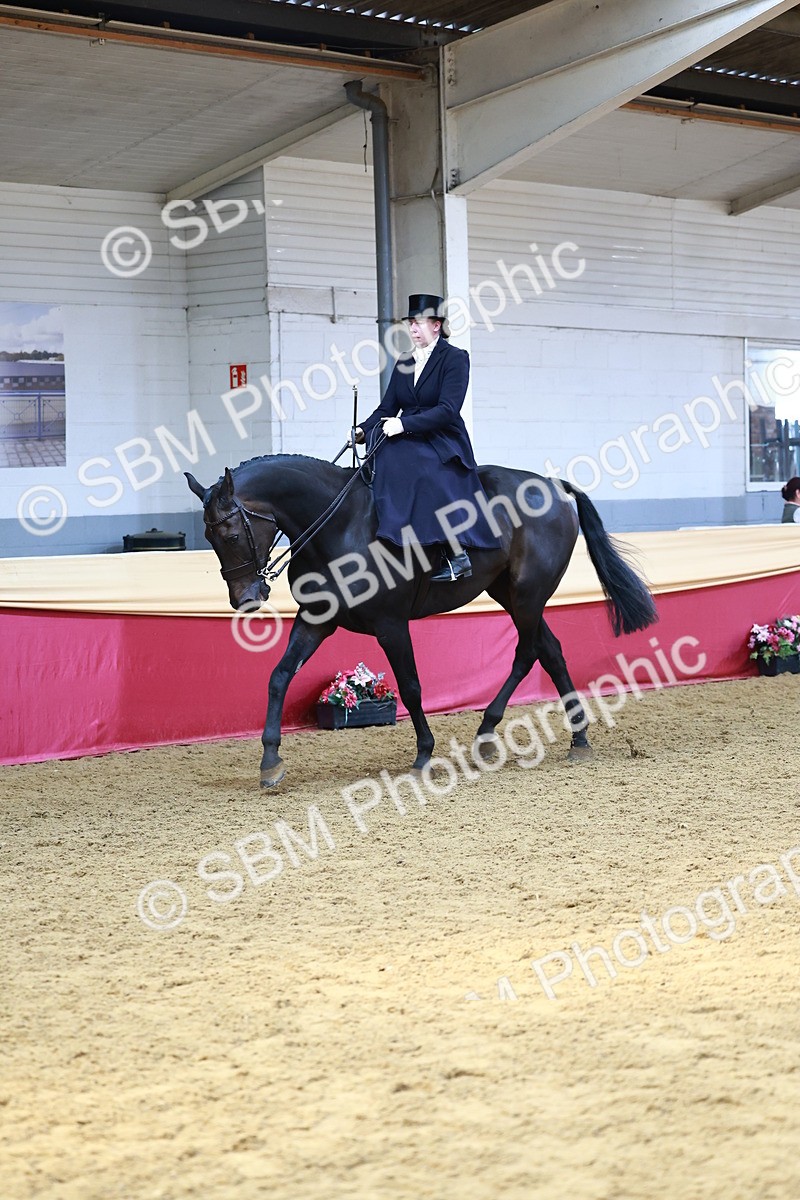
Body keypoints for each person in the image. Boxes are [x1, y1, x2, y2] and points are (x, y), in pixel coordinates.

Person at [353, 293, 501, 582]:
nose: (413, 329)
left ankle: (456, 554)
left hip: (442, 435)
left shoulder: (456, 358)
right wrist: (361, 429)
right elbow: (386, 408)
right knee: (380, 452)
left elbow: (448, 410)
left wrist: (404, 425)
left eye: (418, 323)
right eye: (410, 323)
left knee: (418, 465)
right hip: (406, 429)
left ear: (436, 325)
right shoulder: (404, 361)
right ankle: (390, 536)